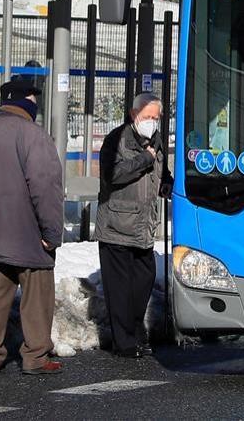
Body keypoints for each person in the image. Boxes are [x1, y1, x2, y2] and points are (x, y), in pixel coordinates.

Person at [0, 79, 65, 375]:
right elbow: (45, 189)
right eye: (33, 98)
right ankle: (36, 356)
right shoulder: (34, 136)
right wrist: (51, 234)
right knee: (37, 298)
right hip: (29, 238)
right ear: (25, 102)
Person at [96, 92, 171, 358]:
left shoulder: (156, 142)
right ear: (133, 115)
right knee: (119, 290)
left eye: (156, 117)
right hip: (117, 226)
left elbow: (162, 172)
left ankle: (134, 330)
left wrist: (166, 183)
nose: (151, 122)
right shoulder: (117, 139)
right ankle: (125, 342)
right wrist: (145, 159)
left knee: (143, 280)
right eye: (147, 116)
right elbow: (112, 174)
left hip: (143, 227)